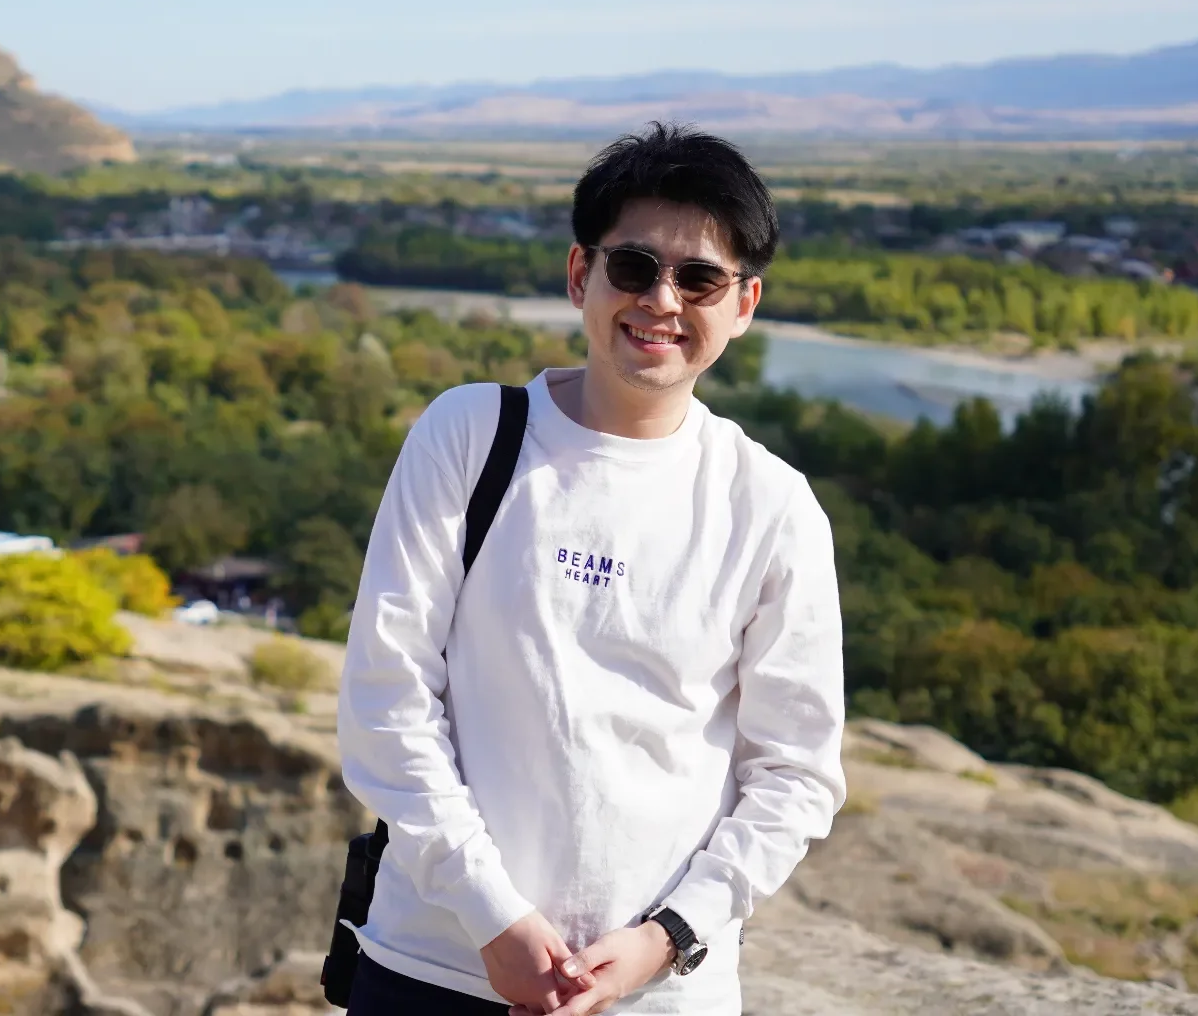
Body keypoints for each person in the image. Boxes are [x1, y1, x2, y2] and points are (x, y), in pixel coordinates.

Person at [336, 123, 846, 1016]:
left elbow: (795, 773)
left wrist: (668, 939)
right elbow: (388, 699)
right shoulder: (470, 437)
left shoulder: (770, 504)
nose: (662, 300)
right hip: (434, 967)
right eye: (634, 267)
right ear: (581, 275)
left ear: (745, 303)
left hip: (660, 995)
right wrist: (493, 918)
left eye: (700, 279)